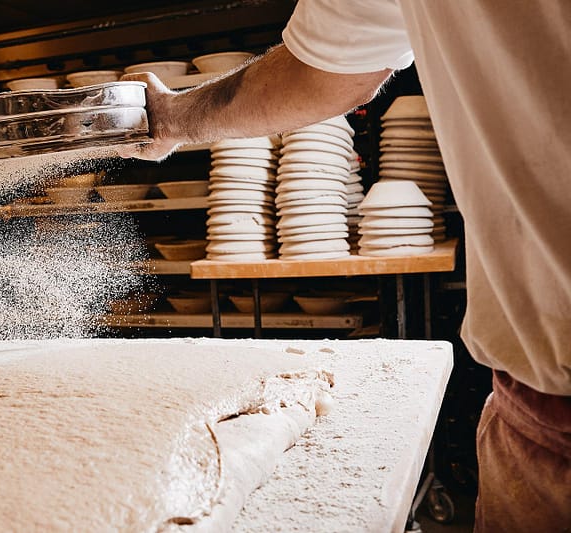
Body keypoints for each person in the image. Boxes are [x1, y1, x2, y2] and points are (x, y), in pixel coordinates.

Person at [119, 1, 571, 530]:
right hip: (540, 421)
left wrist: (170, 118)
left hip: (547, 418)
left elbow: (325, 72)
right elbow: (326, 68)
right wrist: (169, 118)